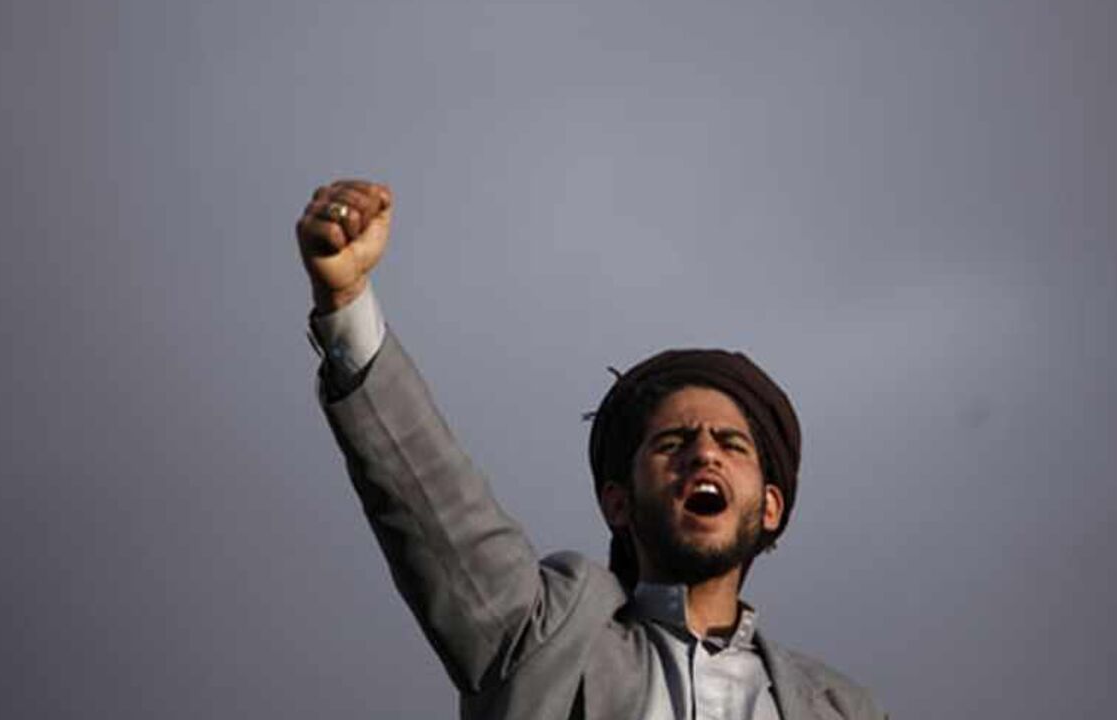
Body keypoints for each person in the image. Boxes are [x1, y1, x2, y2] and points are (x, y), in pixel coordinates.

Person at [297, 179, 886, 719]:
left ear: (771, 506)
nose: (704, 455)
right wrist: (347, 301)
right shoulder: (544, 639)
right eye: (673, 443)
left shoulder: (842, 708)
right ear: (618, 502)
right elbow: (436, 500)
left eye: (731, 443)